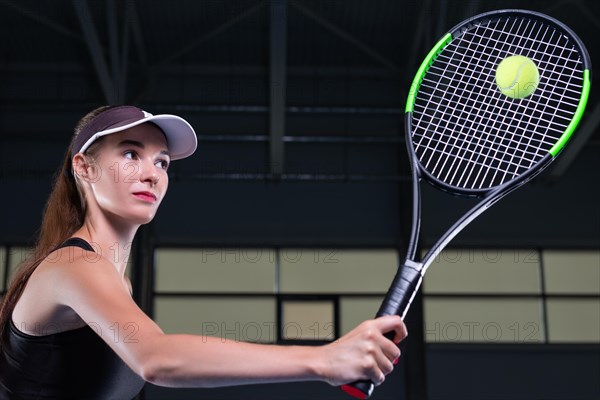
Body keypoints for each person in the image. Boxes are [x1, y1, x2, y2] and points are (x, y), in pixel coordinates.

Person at [0, 105, 407, 399]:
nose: (151, 173)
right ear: (84, 167)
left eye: (162, 162)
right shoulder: (74, 265)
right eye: (130, 153)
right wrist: (325, 359)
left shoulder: (114, 280)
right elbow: (158, 358)